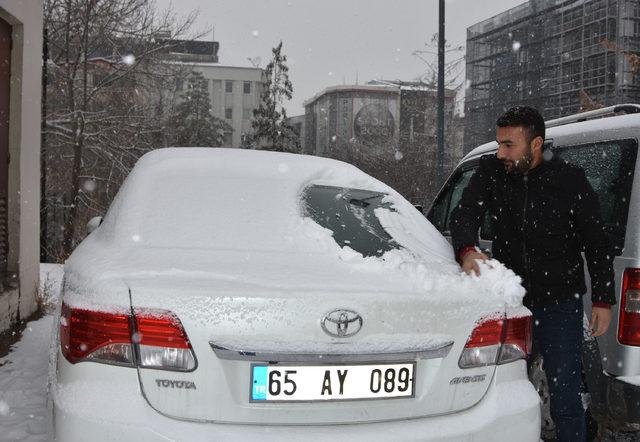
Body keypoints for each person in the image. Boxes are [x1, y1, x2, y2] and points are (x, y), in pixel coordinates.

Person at [450, 106, 615, 442]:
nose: (501, 153)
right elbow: (464, 214)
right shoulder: (492, 172)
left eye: (509, 145)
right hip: (511, 305)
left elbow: (597, 242)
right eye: (498, 144)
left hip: (560, 306)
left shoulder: (570, 181)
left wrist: (603, 299)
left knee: (566, 398)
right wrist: (467, 248)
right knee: (504, 395)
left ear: (536, 143)